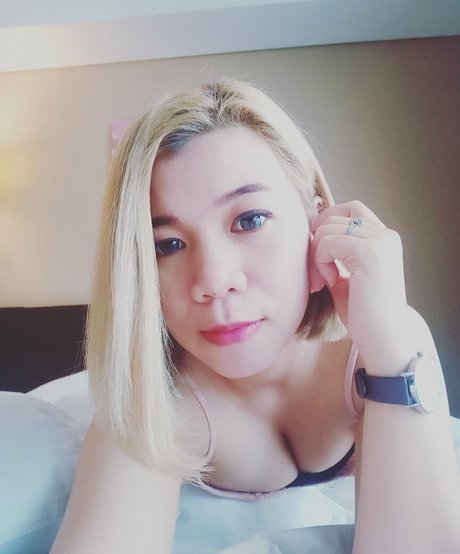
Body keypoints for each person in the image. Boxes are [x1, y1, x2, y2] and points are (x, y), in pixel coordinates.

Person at [50, 79, 460, 553]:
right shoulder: (156, 400)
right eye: (168, 245)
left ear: (316, 217)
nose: (213, 279)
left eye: (250, 220)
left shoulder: (380, 342)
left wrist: (389, 346)